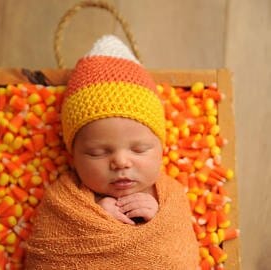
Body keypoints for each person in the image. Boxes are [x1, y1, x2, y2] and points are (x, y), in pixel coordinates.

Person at [25, 35, 199, 269]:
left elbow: (178, 252)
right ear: (72, 157)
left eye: (139, 149)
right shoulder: (63, 201)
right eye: (97, 152)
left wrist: (155, 216)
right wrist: (94, 215)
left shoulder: (170, 197)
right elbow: (49, 253)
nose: (120, 161)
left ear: (161, 149)